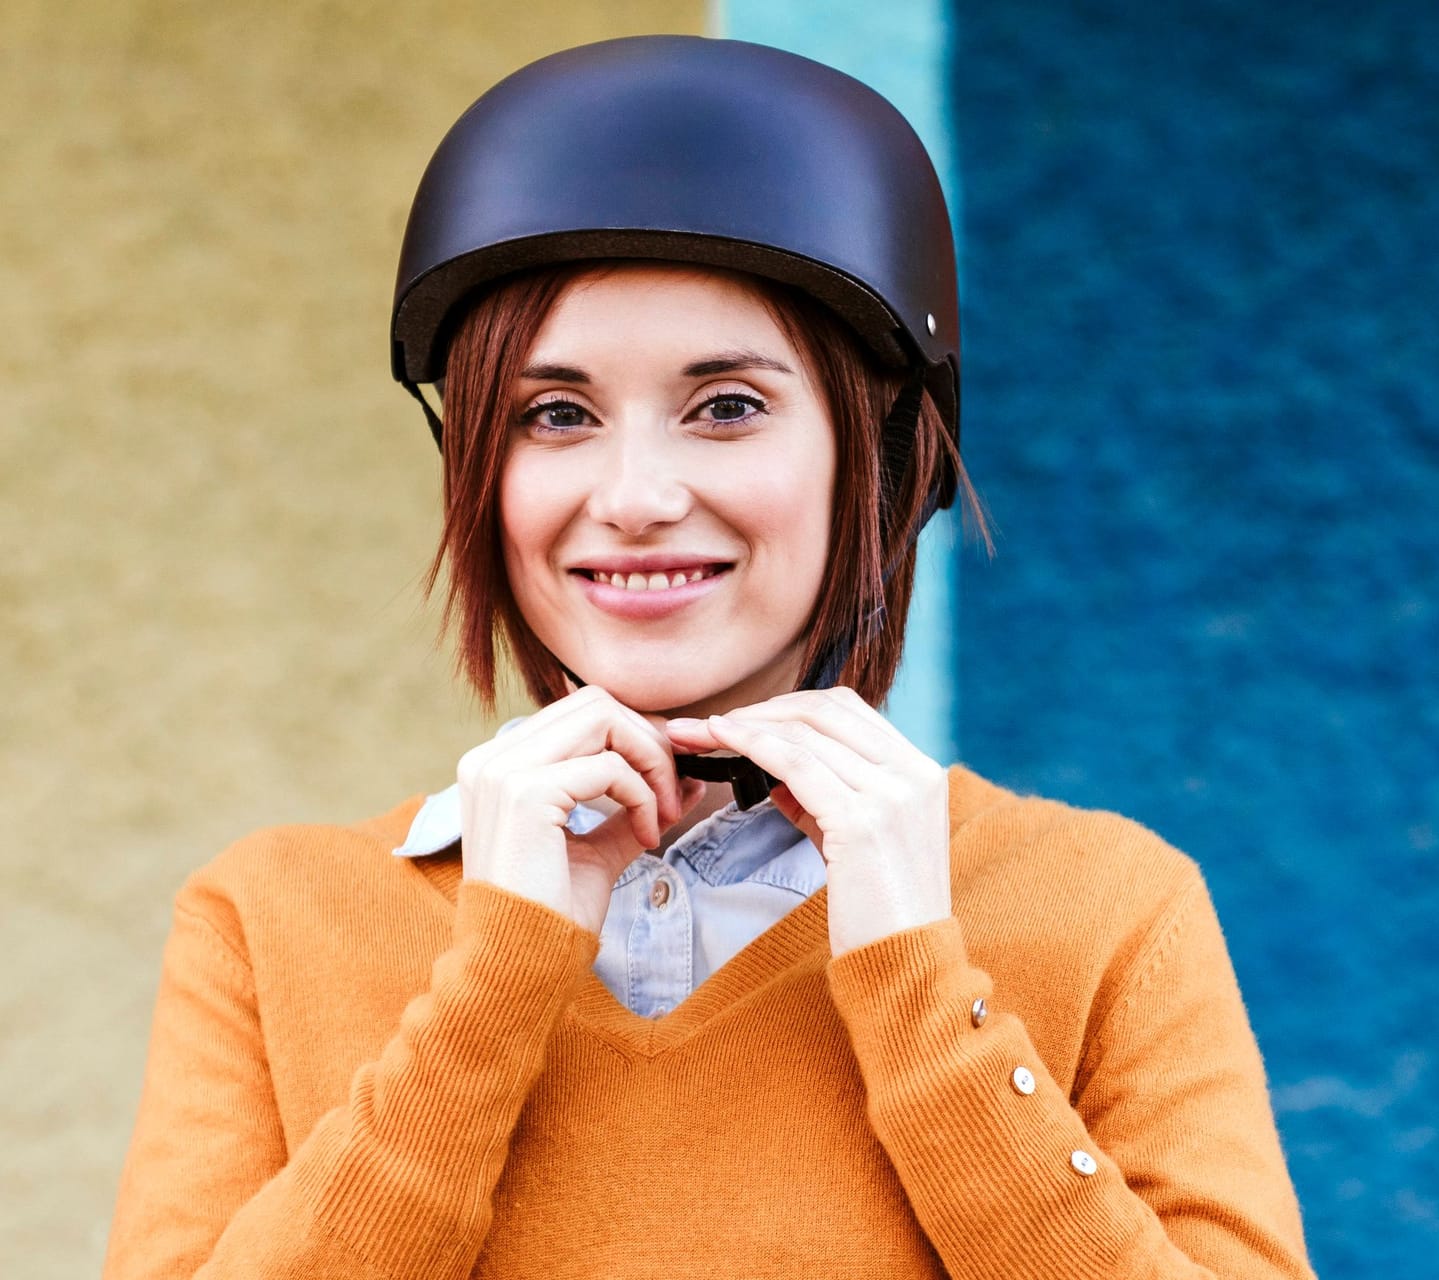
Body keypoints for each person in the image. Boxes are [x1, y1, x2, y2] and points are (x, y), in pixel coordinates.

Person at [104, 35, 1314, 1279]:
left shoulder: (1108, 907)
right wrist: (496, 980)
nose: (633, 495)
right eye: (554, 413)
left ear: (882, 453)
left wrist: (914, 978)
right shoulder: (267, 920)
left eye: (728, 404)